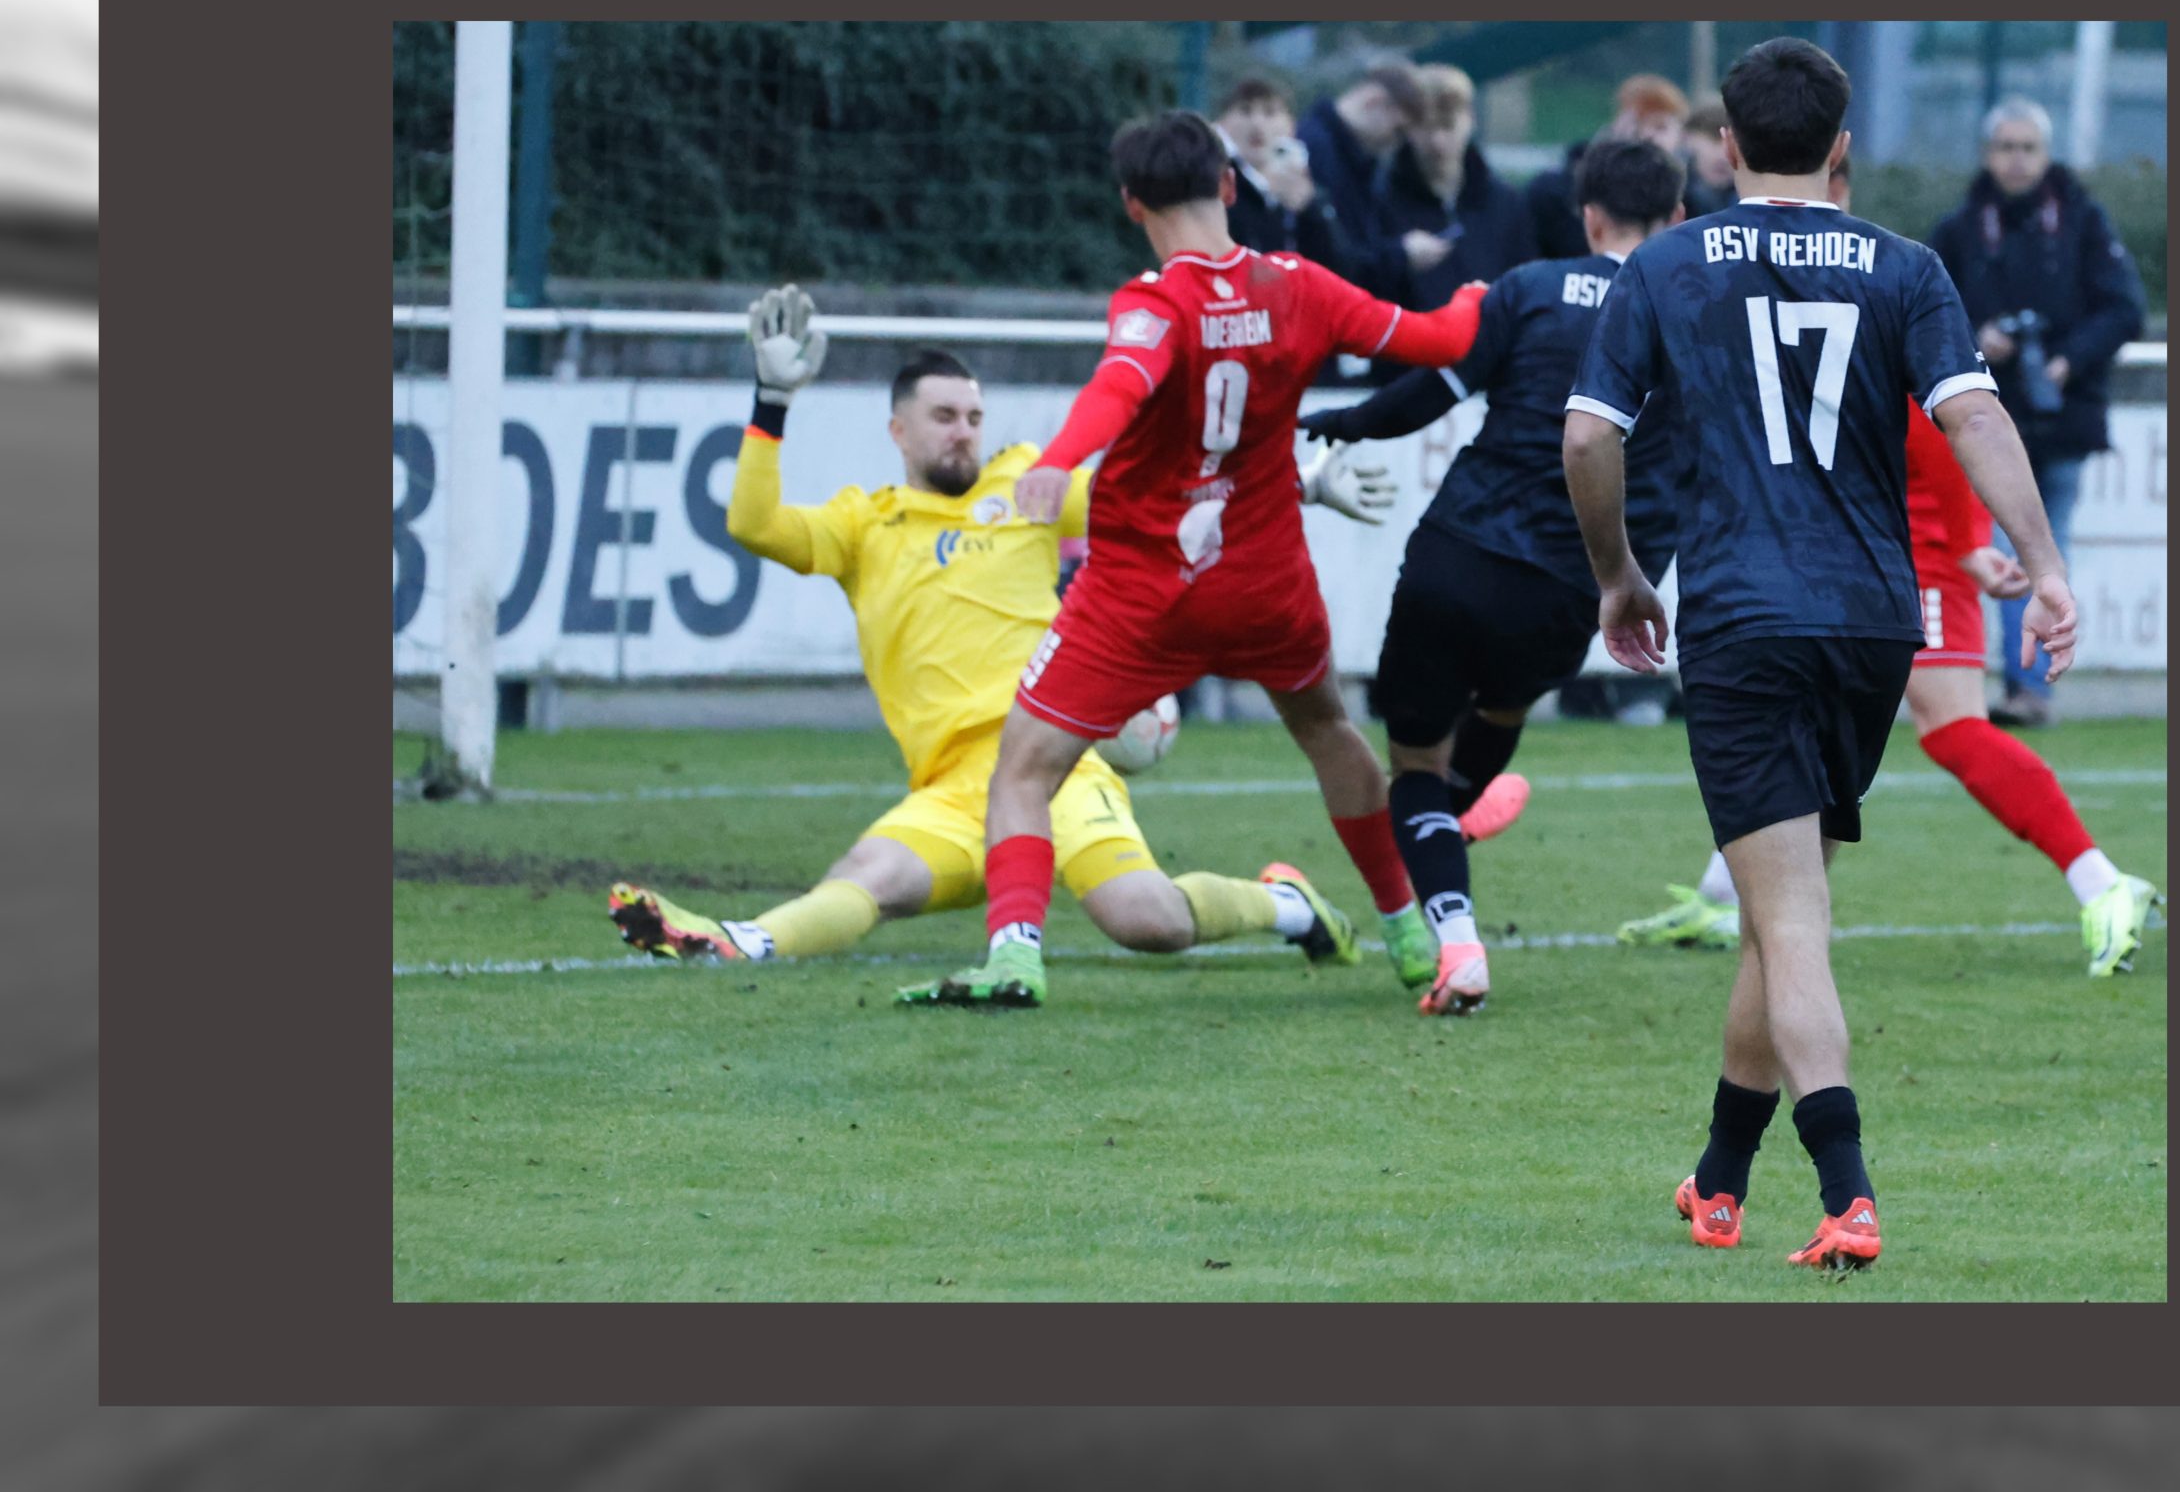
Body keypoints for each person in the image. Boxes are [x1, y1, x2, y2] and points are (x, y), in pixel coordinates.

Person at [1562, 37, 2076, 1272]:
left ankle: (1848, 1192)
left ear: (1724, 146)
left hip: (1744, 614)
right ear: (1841, 147)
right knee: (1777, 908)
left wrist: (1619, 577)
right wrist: (2045, 567)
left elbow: (1587, 438)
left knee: (1787, 918)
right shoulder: (1906, 267)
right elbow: (1973, 415)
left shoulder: (1667, 264)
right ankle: (1719, 1180)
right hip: (1870, 621)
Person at [604, 287, 1397, 972]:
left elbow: (1166, 498)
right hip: (951, 792)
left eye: (974, 416)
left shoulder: (1027, 484)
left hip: (1054, 763)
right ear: (898, 432)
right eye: (944, 416)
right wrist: (770, 403)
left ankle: (1286, 904)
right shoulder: (863, 523)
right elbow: (753, 524)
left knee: (1147, 921)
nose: (963, 431)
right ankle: (738, 941)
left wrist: (1306, 481)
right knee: (864, 876)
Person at [898, 111, 1492, 1010]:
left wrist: (1057, 462)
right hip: (1264, 582)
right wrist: (1480, 298)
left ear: (1131, 202)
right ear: (1227, 185)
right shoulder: (1301, 285)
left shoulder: (1153, 301)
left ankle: (1015, 954)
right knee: (1328, 731)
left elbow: (1120, 385)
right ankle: (1407, 928)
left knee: (1023, 766)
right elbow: (1439, 341)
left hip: (1141, 592)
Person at [1620, 156, 2162, 977]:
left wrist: (1974, 538)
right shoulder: (1808, 269)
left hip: (1914, 550)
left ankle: (2103, 881)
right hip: (1850, 550)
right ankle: (1725, 895)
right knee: (1784, 722)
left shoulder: (1871, 272)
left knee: (1952, 728)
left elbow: (1947, 422)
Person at [1297, 137, 1691, 1014]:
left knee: (1414, 766)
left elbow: (1434, 390)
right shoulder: (1690, 312)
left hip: (1459, 553)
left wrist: (1347, 421)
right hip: (1571, 583)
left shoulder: (1531, 287)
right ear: (1675, 220)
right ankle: (1450, 828)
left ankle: (1459, 933)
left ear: (1588, 216)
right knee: (1501, 709)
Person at [1927, 95, 2146, 726]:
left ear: (2046, 156)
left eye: (2028, 148)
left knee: (2051, 552)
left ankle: (2034, 683)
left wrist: (2065, 360)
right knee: (2005, 554)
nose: (2017, 161)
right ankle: (2025, 685)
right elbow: (1928, 313)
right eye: (2005, 147)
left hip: (2064, 417)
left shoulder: (2082, 222)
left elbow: (2123, 307)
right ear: (1987, 154)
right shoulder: (1961, 228)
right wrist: (1978, 337)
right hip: (1989, 423)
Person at [1379, 64, 1539, 314]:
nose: (1437, 142)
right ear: (1407, 126)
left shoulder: (1504, 202)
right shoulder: (1380, 197)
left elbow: (1525, 285)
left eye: (1448, 126)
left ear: (1470, 120)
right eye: (1426, 128)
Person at [1525, 73, 1697, 260]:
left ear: (1681, 136)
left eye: (1660, 127)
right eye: (1636, 125)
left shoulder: (1693, 199)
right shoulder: (1557, 192)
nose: (1646, 136)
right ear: (1618, 124)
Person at [1295, 58, 1427, 299]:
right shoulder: (1319, 150)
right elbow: (1334, 254)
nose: (1396, 143)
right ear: (1374, 101)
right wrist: (1399, 255)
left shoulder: (1353, 159)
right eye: (1398, 131)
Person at [1214, 76, 1349, 279]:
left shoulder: (1309, 187)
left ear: (1290, 125)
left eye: (1270, 112)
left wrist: (1310, 211)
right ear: (1223, 122)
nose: (1257, 123)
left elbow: (1340, 268)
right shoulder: (1212, 184)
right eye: (1245, 110)